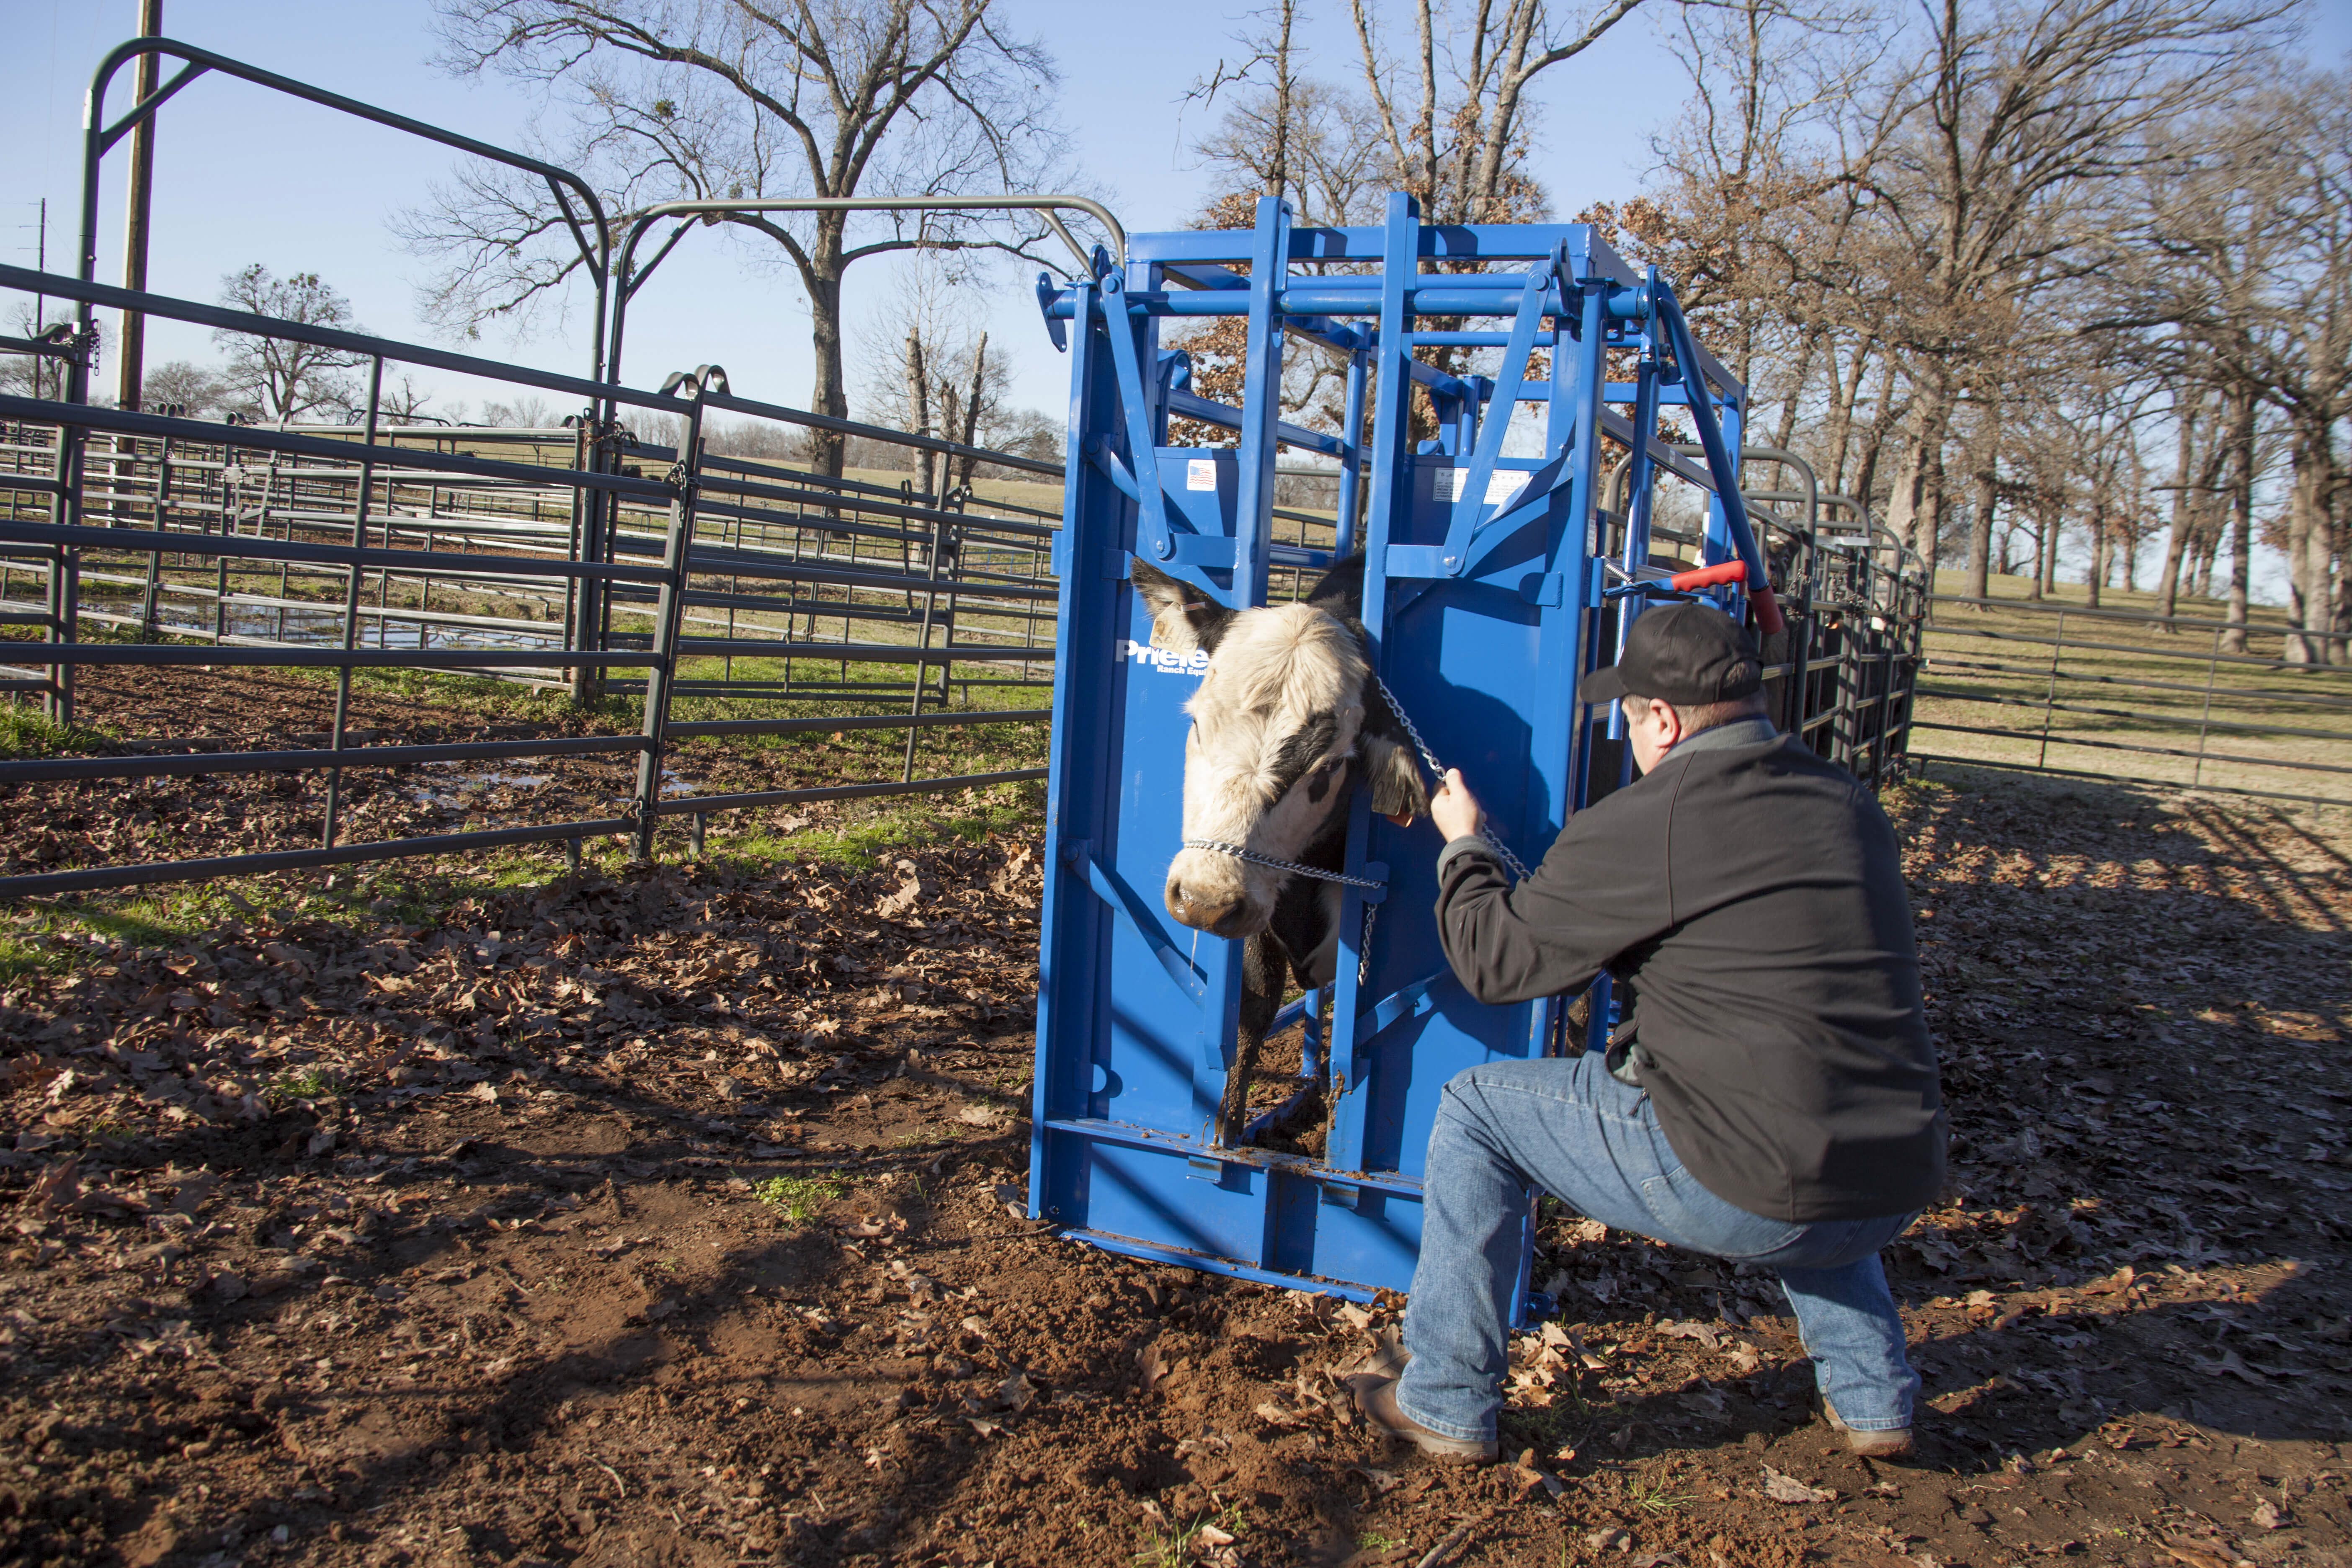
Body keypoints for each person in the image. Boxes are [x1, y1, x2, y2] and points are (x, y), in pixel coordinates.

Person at [1351, 601, 1946, 1463]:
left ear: (1662, 720)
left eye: (1628, 720)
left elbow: (1497, 964)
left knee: (1477, 1109)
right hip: (1891, 1179)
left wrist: (1463, 848)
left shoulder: (1656, 816)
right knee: (1804, 1099)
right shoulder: (1844, 801)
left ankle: (1444, 1395)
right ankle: (1873, 1397)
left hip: (1755, 1187)